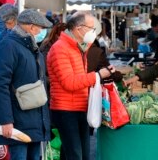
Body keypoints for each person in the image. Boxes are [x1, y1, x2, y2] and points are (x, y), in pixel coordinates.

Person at [47, 11, 115, 160]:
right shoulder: (60, 49)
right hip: (65, 110)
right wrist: (97, 76)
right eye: (91, 28)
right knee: (76, 154)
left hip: (79, 107)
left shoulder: (79, 48)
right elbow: (69, 82)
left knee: (77, 153)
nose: (93, 32)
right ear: (79, 28)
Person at [0, 9, 52, 159]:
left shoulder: (31, 46)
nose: (42, 32)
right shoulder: (9, 45)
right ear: (31, 27)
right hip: (18, 119)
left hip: (34, 119)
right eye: (41, 28)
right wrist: (6, 120)